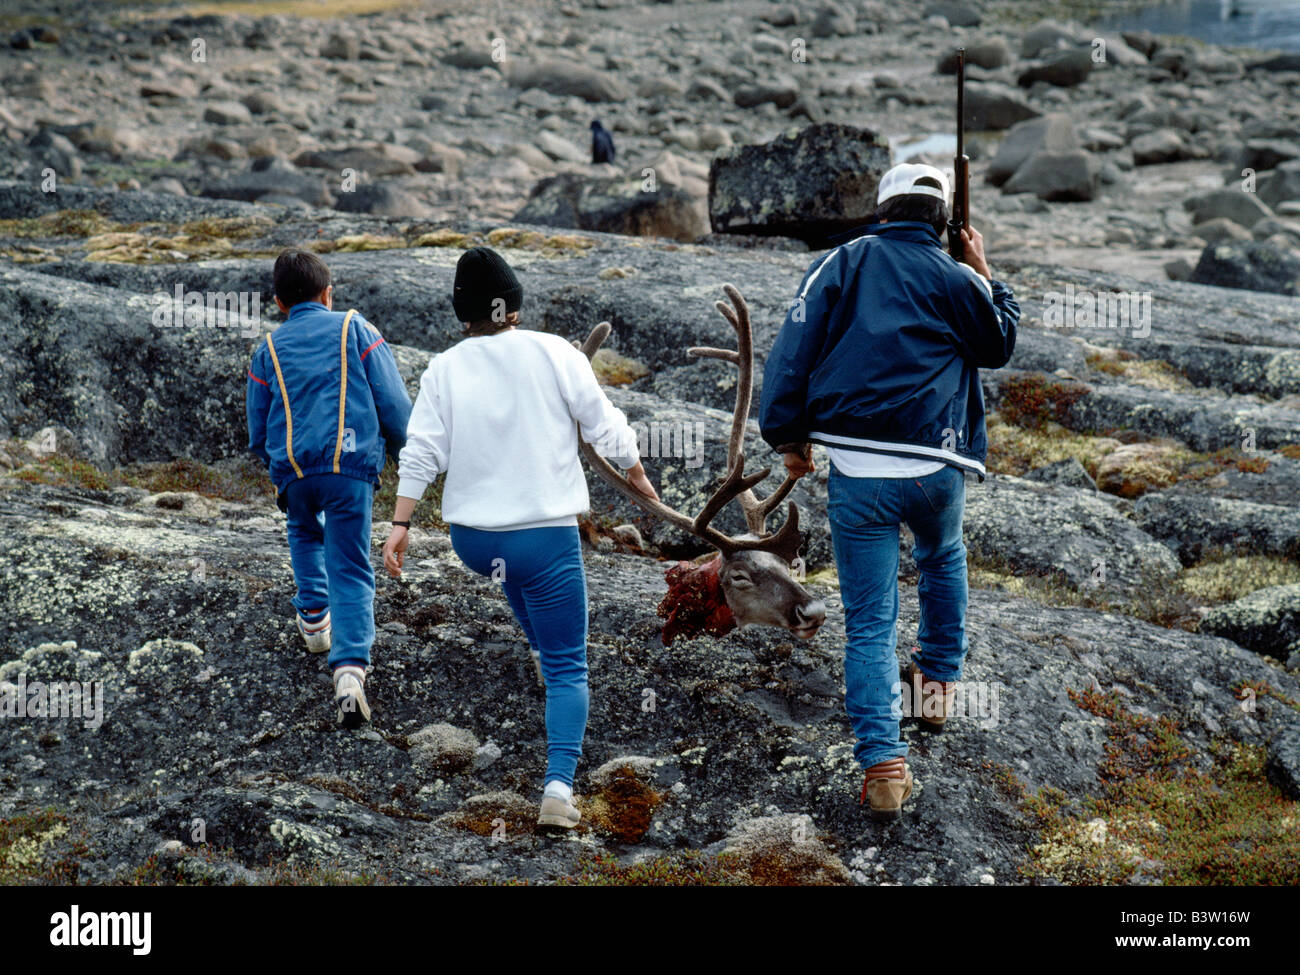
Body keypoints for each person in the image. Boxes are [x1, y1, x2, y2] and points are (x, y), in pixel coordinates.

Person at [758, 162, 1019, 819]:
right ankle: (936, 689)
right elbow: (998, 344)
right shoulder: (957, 276)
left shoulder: (842, 263)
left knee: (871, 620)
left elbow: (793, 348)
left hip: (860, 473)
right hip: (937, 465)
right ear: (944, 222)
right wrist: (984, 271)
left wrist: (786, 435)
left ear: (881, 211)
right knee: (942, 559)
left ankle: (883, 768)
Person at [381, 246, 657, 829]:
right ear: (514, 307)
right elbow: (604, 424)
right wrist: (638, 476)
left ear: (465, 315)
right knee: (569, 668)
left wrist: (400, 524)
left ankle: (534, 648)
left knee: (515, 576)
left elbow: (422, 452)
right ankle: (558, 786)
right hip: (545, 539)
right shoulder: (555, 351)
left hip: (476, 545)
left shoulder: (443, 368)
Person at [246, 250, 412, 728]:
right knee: (352, 563)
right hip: (349, 469)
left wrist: (278, 466)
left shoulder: (267, 350)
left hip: (295, 470)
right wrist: (407, 456)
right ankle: (349, 672)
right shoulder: (354, 328)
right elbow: (395, 406)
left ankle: (315, 618)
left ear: (279, 303)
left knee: (301, 530)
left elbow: (257, 432)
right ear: (329, 293)